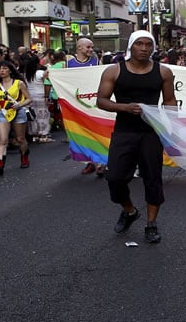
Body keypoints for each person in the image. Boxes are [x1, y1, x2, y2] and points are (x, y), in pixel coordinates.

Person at [96, 30, 176, 243]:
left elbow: (169, 101)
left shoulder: (164, 72)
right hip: (124, 131)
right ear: (131, 46)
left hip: (151, 132)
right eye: (139, 44)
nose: (144, 48)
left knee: (152, 179)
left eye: (148, 44)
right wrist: (124, 107)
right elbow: (101, 100)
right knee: (115, 178)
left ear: (154, 47)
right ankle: (130, 211)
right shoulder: (114, 71)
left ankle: (151, 224)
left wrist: (172, 125)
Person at [67, 38, 102, 174]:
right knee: (82, 133)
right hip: (76, 104)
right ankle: (90, 162)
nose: (91, 50)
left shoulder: (96, 62)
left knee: (97, 132)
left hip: (93, 103)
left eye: (92, 47)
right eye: (88, 47)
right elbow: (55, 76)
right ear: (79, 48)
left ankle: (100, 162)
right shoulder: (67, 64)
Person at [0, 61, 33, 175]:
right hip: (3, 113)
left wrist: (19, 105)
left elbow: (29, 98)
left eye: (4, 68)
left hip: (18, 111)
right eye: (0, 69)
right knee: (3, 140)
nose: (2, 71)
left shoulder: (18, 83)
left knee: (20, 138)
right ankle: (0, 163)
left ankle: (24, 156)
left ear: (10, 70)